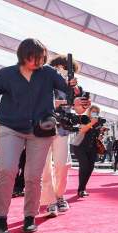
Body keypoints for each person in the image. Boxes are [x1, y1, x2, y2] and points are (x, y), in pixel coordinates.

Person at [0, 38, 79, 233]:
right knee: (6, 170)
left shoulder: (49, 73)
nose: (36, 63)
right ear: (22, 56)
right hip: (10, 127)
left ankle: (30, 216)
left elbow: (68, 94)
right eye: (32, 58)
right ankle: (0, 218)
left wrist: (72, 86)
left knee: (33, 176)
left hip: (40, 130)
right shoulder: (5, 74)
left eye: (41, 59)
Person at [42, 54, 90, 216]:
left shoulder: (75, 88)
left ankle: (59, 195)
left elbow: (79, 110)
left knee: (63, 163)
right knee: (45, 165)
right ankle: (50, 201)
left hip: (63, 126)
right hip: (43, 125)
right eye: (60, 68)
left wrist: (81, 102)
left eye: (68, 70)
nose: (62, 72)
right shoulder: (44, 82)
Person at [71, 105, 103, 198]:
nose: (94, 113)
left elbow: (97, 136)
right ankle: (81, 190)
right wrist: (92, 123)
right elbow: (82, 130)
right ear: (89, 112)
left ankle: (83, 188)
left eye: (96, 112)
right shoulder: (84, 118)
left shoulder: (98, 122)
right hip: (80, 146)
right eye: (93, 111)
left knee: (90, 168)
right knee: (84, 166)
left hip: (92, 148)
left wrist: (100, 134)